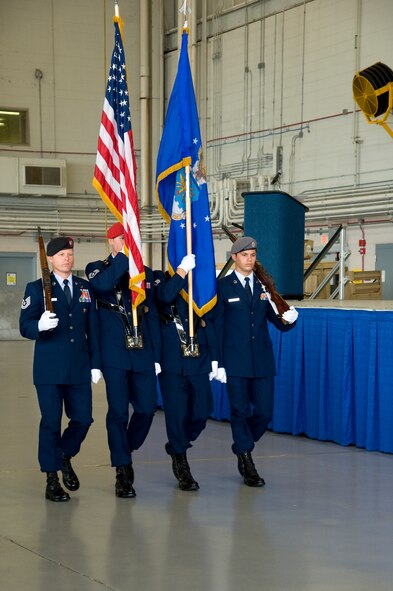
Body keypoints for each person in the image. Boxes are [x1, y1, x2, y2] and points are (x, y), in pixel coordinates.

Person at [19, 236, 102, 502]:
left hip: (78, 366)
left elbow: (93, 330)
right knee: (51, 423)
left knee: (83, 419)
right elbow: (25, 325)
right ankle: (52, 477)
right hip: (49, 368)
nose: (68, 258)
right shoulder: (36, 288)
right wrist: (38, 326)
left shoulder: (84, 287)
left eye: (70, 254)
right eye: (62, 255)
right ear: (51, 259)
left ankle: (64, 455)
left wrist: (95, 363)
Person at [215, 236, 298, 487]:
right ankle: (246, 460)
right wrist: (217, 362)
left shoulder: (264, 286)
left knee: (264, 412)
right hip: (235, 360)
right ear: (234, 257)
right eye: (244, 255)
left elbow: (277, 320)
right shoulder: (222, 287)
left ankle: (242, 445)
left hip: (262, 360)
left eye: (252, 255)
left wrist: (290, 319)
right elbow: (218, 326)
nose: (249, 259)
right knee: (239, 411)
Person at [85, 222, 161, 498]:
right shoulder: (97, 267)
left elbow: (150, 313)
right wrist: (124, 260)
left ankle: (124, 448)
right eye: (120, 238)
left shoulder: (144, 273)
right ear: (111, 242)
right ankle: (122, 469)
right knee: (118, 412)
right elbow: (103, 287)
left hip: (142, 352)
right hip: (114, 354)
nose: (125, 242)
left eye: (128, 239)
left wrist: (157, 356)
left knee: (146, 408)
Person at [154, 254, 222, 491]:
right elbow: (164, 298)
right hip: (171, 362)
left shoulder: (199, 284)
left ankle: (178, 443)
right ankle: (181, 463)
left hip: (197, 358)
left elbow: (210, 319)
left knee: (203, 409)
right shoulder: (159, 279)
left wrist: (215, 358)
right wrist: (181, 272)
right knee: (176, 413)